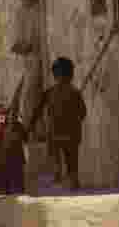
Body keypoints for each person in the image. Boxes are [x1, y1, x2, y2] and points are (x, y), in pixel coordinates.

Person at [30, 57, 86, 191]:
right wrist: (73, 121)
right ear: (71, 74)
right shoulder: (75, 92)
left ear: (54, 75)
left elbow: (37, 111)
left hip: (55, 134)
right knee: (71, 160)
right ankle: (72, 182)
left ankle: (58, 180)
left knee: (56, 158)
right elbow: (83, 112)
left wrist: (31, 126)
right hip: (71, 134)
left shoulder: (49, 92)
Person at [11, 0, 44, 141]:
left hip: (41, 57)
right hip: (30, 60)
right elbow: (20, 39)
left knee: (28, 96)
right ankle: (33, 130)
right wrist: (19, 46)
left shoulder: (42, 7)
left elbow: (41, 36)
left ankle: (30, 130)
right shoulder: (20, 12)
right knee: (25, 97)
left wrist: (30, 45)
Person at [0, 99, 27, 195]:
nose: (0, 115)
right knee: (4, 190)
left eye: (2, 112)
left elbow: (24, 136)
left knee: (18, 188)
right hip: (2, 160)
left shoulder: (16, 123)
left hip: (15, 159)